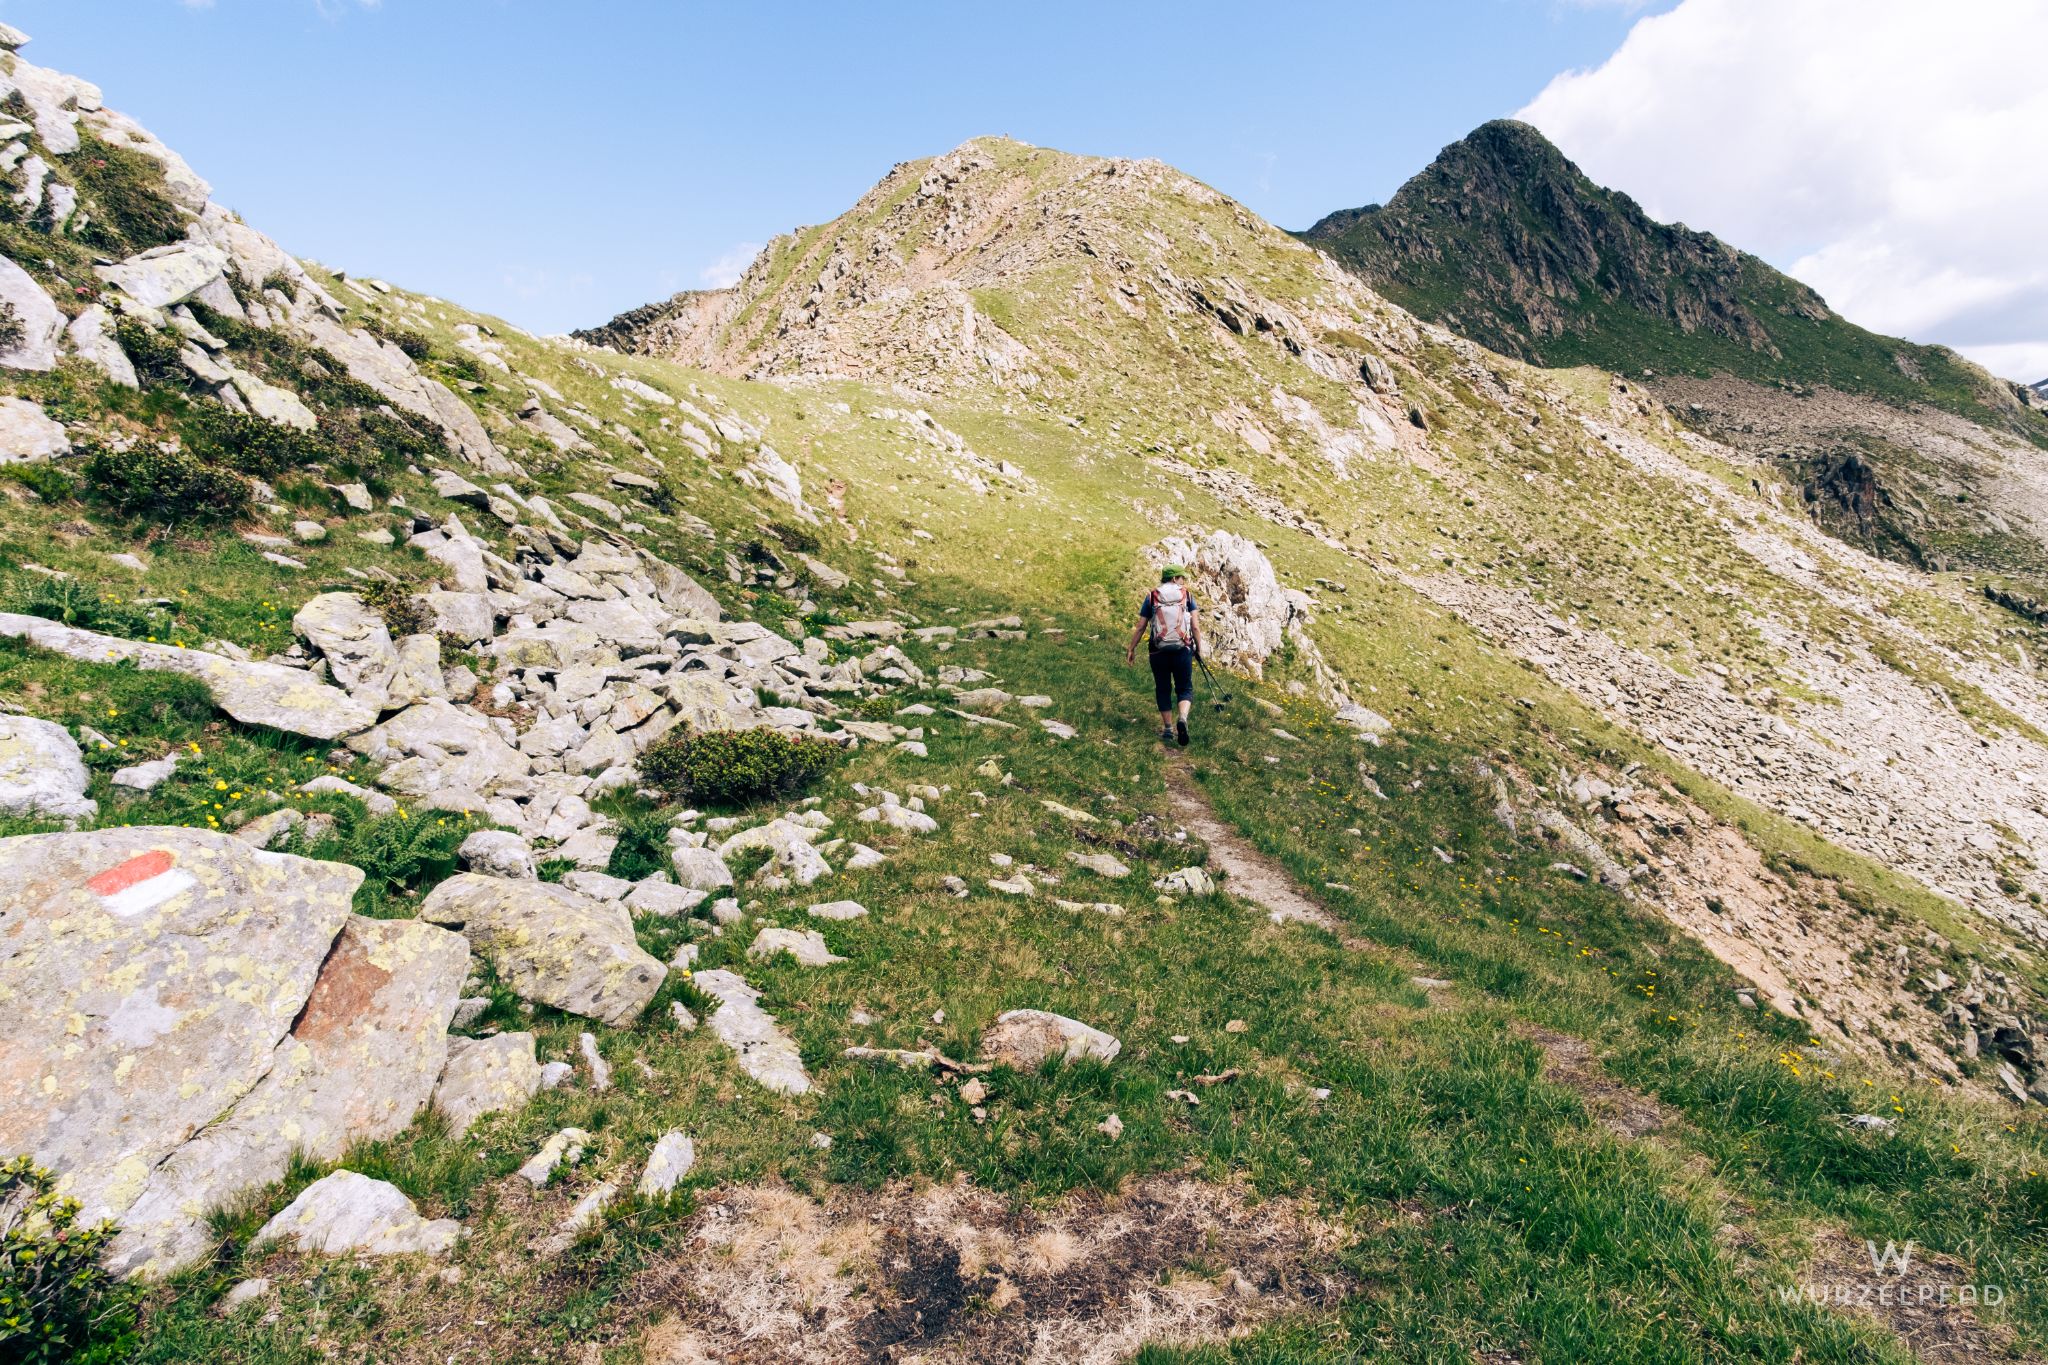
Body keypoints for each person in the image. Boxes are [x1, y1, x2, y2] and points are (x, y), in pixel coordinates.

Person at [1126, 564, 1201, 746]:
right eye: (1181, 577)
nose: (1183, 581)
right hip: (1182, 648)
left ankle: (1168, 729)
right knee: (1184, 688)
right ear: (1175, 578)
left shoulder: (1152, 596)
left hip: (1158, 650)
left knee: (1162, 687)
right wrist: (1198, 648)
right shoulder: (1187, 595)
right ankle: (1182, 718)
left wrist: (1131, 648)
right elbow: (1196, 626)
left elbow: (1141, 626)